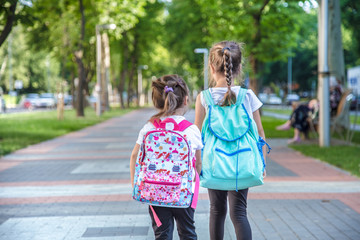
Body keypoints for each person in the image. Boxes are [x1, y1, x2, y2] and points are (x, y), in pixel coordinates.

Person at [194, 41, 267, 240]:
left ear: (210, 67)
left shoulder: (203, 98)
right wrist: (262, 162)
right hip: (242, 163)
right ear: (239, 67)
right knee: (240, 213)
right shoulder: (247, 96)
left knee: (216, 211)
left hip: (214, 163)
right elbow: (259, 133)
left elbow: (197, 136)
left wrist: (197, 164)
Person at [130, 74, 203, 240]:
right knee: (187, 232)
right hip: (183, 193)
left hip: (155, 192)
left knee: (162, 234)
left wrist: (136, 184)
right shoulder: (191, 130)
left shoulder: (149, 127)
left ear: (157, 102)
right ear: (185, 100)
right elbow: (198, 164)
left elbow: (135, 156)